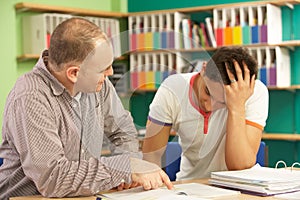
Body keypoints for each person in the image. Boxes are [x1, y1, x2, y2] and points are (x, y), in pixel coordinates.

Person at [0, 17, 173, 200]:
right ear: (74, 73)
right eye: (103, 69)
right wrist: (124, 167)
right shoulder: (30, 98)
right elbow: (53, 179)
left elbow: (121, 130)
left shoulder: (100, 84)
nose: (111, 74)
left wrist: (128, 173)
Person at [143, 46, 269, 180]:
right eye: (208, 92)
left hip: (237, 186)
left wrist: (237, 107)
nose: (209, 106)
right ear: (203, 69)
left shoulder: (254, 93)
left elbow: (239, 165)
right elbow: (151, 157)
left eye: (223, 103)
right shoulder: (171, 89)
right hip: (190, 187)